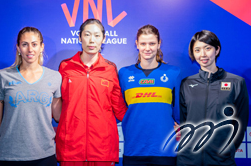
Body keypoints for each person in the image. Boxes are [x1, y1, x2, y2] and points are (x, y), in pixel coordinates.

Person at [56, 18, 128, 166]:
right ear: (79, 37)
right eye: (87, 34)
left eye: (96, 35)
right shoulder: (65, 67)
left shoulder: (110, 69)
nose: (91, 40)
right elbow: (56, 104)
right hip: (71, 150)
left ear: (103, 39)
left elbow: (119, 108)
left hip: (103, 150)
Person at [0, 27, 62, 166]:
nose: (30, 49)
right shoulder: (3, 76)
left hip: (45, 155)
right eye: (24, 44)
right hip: (9, 156)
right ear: (18, 48)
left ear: (41, 47)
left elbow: (59, 116)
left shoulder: (55, 77)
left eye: (34, 44)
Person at [177, 30, 249, 166]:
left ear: (217, 50)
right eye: (197, 50)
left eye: (207, 48)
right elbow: (184, 121)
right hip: (188, 160)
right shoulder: (186, 83)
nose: (202, 54)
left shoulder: (236, 82)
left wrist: (227, 149)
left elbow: (241, 122)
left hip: (222, 161)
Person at [118, 25, 181, 166]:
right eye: (143, 43)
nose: (148, 48)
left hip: (165, 150)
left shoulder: (173, 73)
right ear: (137, 45)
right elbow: (121, 109)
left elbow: (178, 113)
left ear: (159, 44)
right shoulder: (124, 73)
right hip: (133, 149)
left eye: (152, 43)